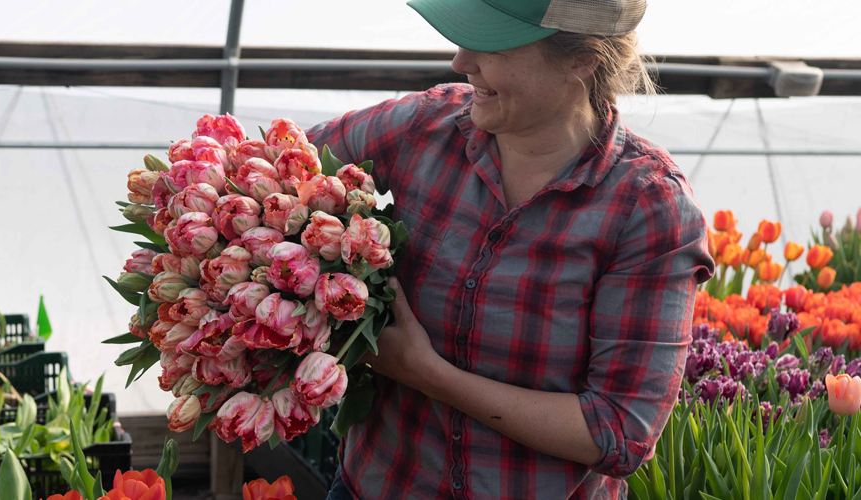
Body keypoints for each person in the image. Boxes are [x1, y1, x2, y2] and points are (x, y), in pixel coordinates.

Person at [305, 0, 715, 498]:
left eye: (491, 41)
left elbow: (620, 430)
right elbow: (278, 171)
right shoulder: (427, 126)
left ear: (581, 58)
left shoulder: (646, 207)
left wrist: (424, 372)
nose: (461, 60)